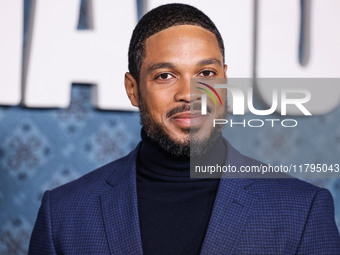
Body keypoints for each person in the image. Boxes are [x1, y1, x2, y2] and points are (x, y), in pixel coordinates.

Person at [29, 3, 340, 254]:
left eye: (206, 72)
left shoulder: (303, 210)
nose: (190, 93)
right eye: (165, 75)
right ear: (133, 88)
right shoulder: (64, 214)